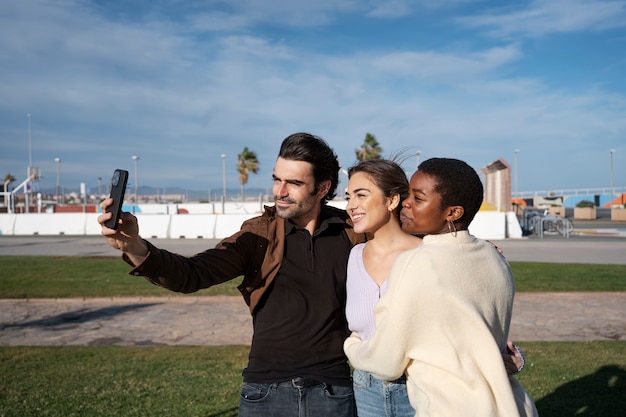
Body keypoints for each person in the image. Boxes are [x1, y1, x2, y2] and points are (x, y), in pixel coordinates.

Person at [98, 132, 366, 417]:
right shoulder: (257, 235)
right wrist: (135, 247)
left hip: (333, 393)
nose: (280, 191)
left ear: (323, 188)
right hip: (265, 393)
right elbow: (192, 274)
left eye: (294, 183)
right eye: (277, 179)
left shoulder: (353, 233)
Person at [344, 157, 538, 417]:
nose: (406, 202)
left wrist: (353, 345)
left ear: (453, 212)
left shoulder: (415, 262)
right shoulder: (496, 260)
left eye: (418, 198)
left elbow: (385, 362)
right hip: (503, 404)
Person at [344, 159, 422, 417]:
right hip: (366, 391)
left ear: (392, 201)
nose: (351, 205)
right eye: (348, 197)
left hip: (421, 389)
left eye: (361, 195)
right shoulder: (353, 257)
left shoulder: (428, 255)